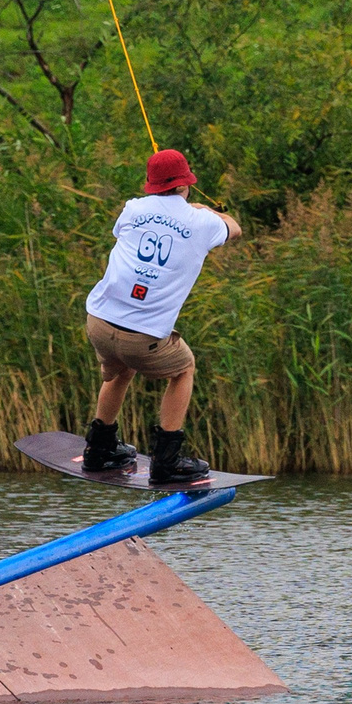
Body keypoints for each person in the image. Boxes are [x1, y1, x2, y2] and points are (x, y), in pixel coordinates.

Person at [81, 148, 243, 483]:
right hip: (142, 337)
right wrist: (203, 209)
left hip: (98, 321)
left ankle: (99, 450)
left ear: (152, 184)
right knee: (184, 369)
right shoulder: (201, 222)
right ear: (185, 184)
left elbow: (129, 232)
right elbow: (235, 229)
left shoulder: (132, 208)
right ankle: (167, 461)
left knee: (118, 373)